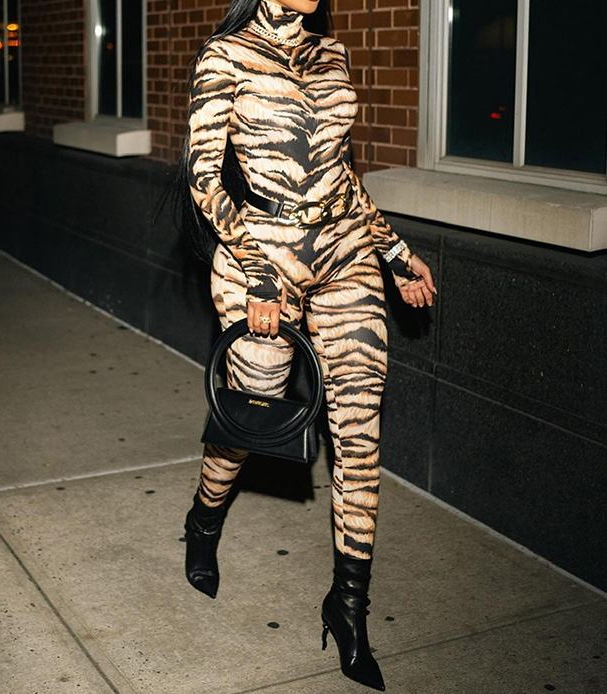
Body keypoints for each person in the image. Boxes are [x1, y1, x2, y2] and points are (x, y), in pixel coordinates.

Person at [174, 0, 436, 690]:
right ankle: (204, 519)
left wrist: (394, 252)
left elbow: (341, 175)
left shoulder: (332, 54)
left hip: (345, 249)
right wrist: (259, 274)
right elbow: (203, 178)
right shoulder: (227, 55)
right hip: (259, 251)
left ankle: (348, 607)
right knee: (251, 415)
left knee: (359, 430)